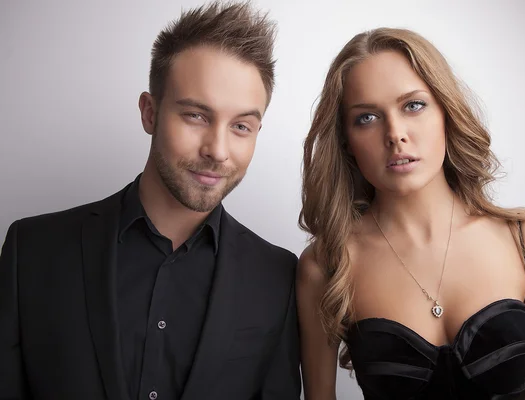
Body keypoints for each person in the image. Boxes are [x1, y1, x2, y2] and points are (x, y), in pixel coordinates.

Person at [0, 2, 300, 399]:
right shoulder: (33, 250)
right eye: (196, 115)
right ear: (149, 113)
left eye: (241, 126)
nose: (218, 150)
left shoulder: (278, 277)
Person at [297, 28, 525, 400]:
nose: (395, 134)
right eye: (367, 118)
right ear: (346, 140)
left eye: (413, 105)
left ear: (446, 112)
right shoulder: (326, 266)